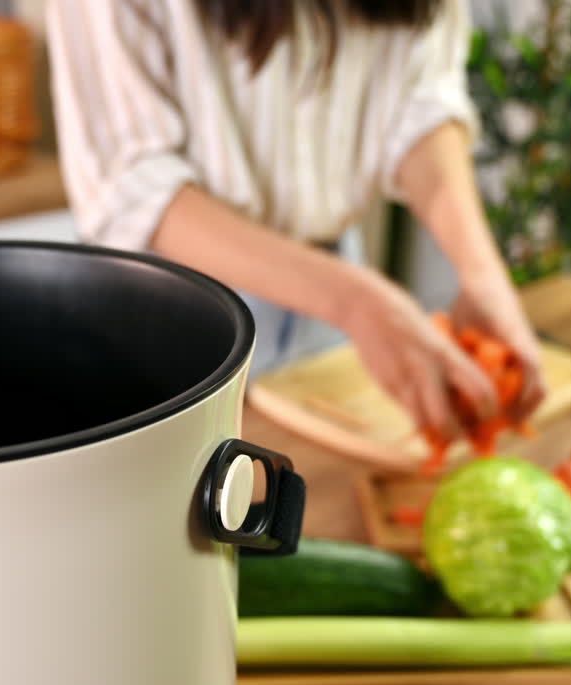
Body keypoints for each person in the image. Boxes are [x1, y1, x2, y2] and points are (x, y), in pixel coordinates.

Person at [45, 0, 544, 443]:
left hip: (333, 291)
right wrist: (358, 301)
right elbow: (131, 182)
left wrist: (481, 273)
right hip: (170, 308)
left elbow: (423, 104)